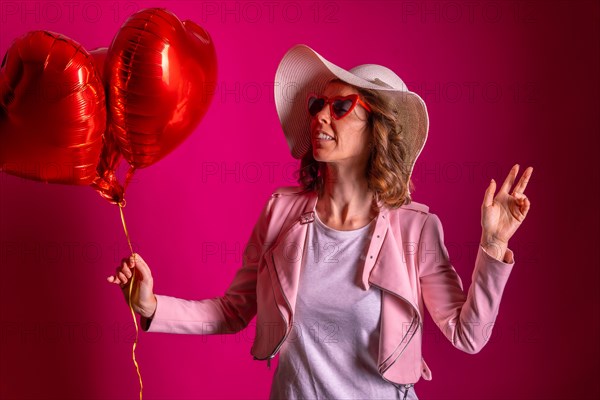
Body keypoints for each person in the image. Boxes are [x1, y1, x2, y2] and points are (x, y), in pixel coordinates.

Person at [107, 44, 533, 400]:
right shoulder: (280, 213)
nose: (320, 116)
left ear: (376, 130)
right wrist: (151, 306)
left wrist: (492, 246)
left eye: (342, 106)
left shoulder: (415, 230)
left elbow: (467, 334)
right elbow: (233, 311)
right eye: (317, 104)